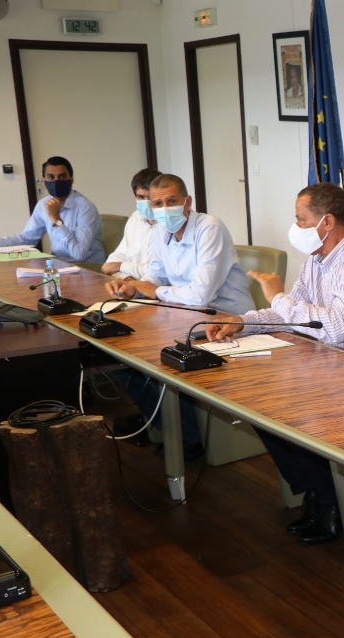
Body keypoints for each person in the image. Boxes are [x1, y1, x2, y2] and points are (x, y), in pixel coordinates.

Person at [206, 182, 344, 545]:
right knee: (262, 406)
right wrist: (242, 322)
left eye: (300, 219)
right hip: (337, 362)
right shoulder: (315, 262)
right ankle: (316, 491)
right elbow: (292, 315)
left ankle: (333, 502)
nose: (296, 227)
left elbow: (335, 327)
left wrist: (278, 296)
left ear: (327, 222)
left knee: (304, 410)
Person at [106, 174, 254, 459]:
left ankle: (192, 438)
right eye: (158, 203)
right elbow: (156, 275)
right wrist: (132, 287)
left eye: (171, 201)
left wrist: (155, 291)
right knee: (120, 360)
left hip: (226, 323)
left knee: (157, 357)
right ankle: (176, 431)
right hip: (184, 318)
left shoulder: (209, 227)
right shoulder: (160, 232)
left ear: (187, 202)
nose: (164, 209)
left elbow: (200, 295)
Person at [0, 156, 105, 263]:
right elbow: (27, 238)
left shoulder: (86, 208)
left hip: (87, 267)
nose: (56, 181)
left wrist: (56, 219)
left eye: (62, 176)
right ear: (44, 181)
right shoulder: (43, 205)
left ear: (71, 179)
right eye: (51, 177)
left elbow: (79, 254)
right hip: (59, 264)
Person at [101, 168, 162, 278]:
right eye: (141, 197)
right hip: (129, 283)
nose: (146, 203)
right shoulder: (135, 218)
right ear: (134, 196)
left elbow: (159, 272)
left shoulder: (170, 224)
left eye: (150, 197)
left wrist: (121, 266)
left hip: (157, 285)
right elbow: (112, 263)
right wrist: (128, 280)